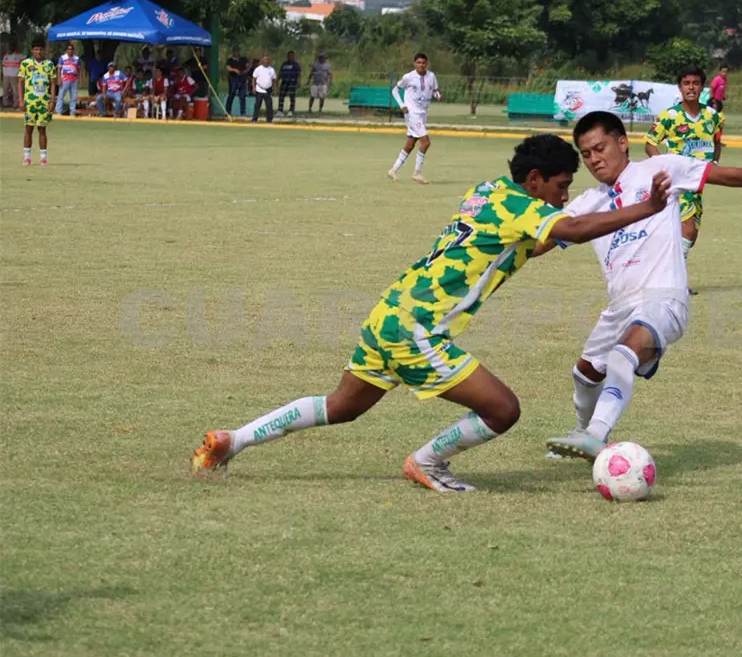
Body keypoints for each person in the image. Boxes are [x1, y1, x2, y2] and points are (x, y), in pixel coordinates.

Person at [191, 133, 676, 492]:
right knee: (503, 410)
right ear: (535, 180)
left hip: (388, 314)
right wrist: (644, 209)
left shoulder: (486, 192)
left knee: (340, 407)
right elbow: (569, 228)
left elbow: (532, 243)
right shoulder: (525, 207)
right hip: (417, 329)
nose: (564, 195)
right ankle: (428, 462)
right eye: (561, 185)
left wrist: (578, 232)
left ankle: (232, 440)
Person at [544, 112, 742, 460]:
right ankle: (583, 432)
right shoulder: (589, 203)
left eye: (599, 148)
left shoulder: (660, 169)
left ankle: (596, 435)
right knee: (584, 373)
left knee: (623, 353)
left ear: (621, 142)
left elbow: (729, 176)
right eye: (586, 154)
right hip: (620, 306)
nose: (594, 159)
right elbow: (541, 241)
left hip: (664, 299)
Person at [644, 67, 724, 295]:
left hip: (699, 182)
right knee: (687, 230)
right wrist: (663, 164)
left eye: (695, 83)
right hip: (679, 182)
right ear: (680, 87)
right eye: (686, 83)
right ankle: (674, 281)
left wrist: (714, 164)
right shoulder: (669, 116)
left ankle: (664, 275)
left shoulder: (714, 117)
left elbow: (717, 142)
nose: (691, 87)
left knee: (691, 233)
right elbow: (650, 143)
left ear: (702, 87)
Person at [388, 53, 440, 184]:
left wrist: (438, 95)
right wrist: (402, 105)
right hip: (412, 114)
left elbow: (435, 90)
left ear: (427, 63)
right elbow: (394, 90)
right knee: (426, 142)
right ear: (414, 63)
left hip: (422, 113)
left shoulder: (431, 76)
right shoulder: (409, 77)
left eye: (423, 63)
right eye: (419, 63)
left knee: (410, 144)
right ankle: (417, 173)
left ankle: (393, 170)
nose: (421, 65)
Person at [18, 38, 55, 166]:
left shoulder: (49, 64)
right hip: (30, 102)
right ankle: (27, 157)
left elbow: (53, 82)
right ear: (32, 50)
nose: (38, 52)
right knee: (28, 129)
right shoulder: (26, 64)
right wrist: (21, 100)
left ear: (44, 50)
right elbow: (20, 82)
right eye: (36, 49)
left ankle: (43, 158)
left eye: (40, 49)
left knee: (42, 129)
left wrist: (52, 100)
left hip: (44, 102)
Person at [55, 43, 81, 116]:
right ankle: (58, 111)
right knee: (61, 95)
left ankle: (72, 111)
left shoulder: (77, 58)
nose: (70, 50)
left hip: (74, 79)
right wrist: (59, 79)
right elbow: (59, 69)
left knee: (73, 96)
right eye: (69, 49)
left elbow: (79, 69)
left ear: (73, 50)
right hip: (65, 79)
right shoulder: (62, 58)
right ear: (66, 50)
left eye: (71, 49)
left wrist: (79, 79)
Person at [251, 55, 277, 124]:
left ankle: (269, 120)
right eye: (265, 60)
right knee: (257, 105)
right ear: (262, 61)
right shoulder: (258, 69)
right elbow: (254, 79)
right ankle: (254, 120)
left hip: (268, 90)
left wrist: (275, 88)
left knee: (269, 106)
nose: (266, 61)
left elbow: (274, 80)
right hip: (259, 89)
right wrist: (253, 87)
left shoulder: (271, 69)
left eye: (267, 60)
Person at [224, 46, 249, 117]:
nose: (237, 52)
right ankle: (228, 111)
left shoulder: (243, 59)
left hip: (242, 78)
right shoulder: (230, 60)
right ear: (233, 52)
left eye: (238, 51)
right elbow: (228, 68)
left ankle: (243, 112)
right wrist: (235, 70)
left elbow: (247, 66)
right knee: (231, 94)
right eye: (235, 51)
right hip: (233, 78)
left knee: (242, 96)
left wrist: (245, 70)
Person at [279, 50, 301, 117]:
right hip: (284, 82)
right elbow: (280, 73)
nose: (290, 57)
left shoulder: (296, 65)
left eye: (291, 56)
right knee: (281, 96)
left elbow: (299, 74)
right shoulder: (284, 64)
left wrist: (299, 82)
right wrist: (277, 80)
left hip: (292, 82)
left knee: (292, 96)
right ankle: (280, 111)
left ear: (294, 56)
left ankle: (291, 110)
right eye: (289, 55)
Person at [3, 41, 24, 108]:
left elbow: (25, 58)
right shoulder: (5, 55)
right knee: (5, 90)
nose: (10, 48)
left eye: (12, 46)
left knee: (15, 90)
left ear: (14, 47)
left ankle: (16, 104)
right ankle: (5, 103)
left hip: (14, 75)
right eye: (9, 46)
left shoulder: (19, 55)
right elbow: (3, 65)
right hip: (6, 75)